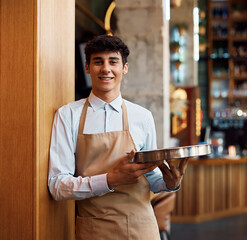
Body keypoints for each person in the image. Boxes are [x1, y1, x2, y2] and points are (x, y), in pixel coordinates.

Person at [48, 35, 189, 240]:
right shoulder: (67, 115)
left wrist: (170, 183)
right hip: (94, 230)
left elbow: (151, 177)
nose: (106, 68)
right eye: (98, 62)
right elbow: (57, 186)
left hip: (142, 228)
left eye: (113, 62)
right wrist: (109, 180)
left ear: (125, 68)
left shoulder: (142, 116)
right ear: (87, 67)